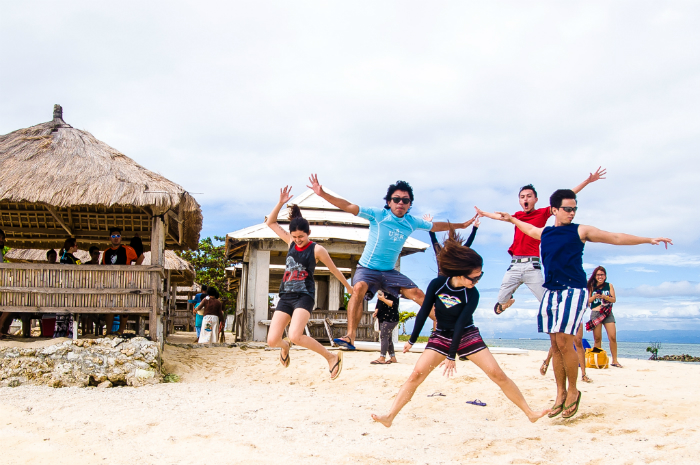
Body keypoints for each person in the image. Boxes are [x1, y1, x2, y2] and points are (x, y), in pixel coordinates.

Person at [493, 189, 671, 419]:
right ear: (555, 210)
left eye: (574, 209)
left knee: (566, 343)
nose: (572, 213)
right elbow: (528, 228)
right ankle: (560, 393)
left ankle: (574, 392)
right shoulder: (545, 233)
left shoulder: (580, 230)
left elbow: (614, 237)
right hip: (551, 291)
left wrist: (648, 239)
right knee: (555, 344)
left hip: (573, 290)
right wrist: (511, 219)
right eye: (567, 209)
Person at [371, 229, 550, 428]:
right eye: (474, 278)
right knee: (416, 375)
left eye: (480, 277)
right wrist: (412, 340)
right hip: (441, 336)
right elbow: (423, 312)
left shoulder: (472, 295)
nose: (477, 282)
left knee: (497, 374)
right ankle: (390, 416)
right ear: (459, 273)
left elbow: (460, 323)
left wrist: (451, 356)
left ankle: (530, 412)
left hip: (466, 334)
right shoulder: (438, 284)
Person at [307, 174, 476, 350]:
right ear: (389, 202)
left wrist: (462, 226)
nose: (400, 203)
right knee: (357, 289)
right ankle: (350, 337)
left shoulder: (411, 222)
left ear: (410, 204)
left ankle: (451, 331)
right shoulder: (378, 215)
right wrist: (322, 194)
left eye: (405, 200)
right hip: (367, 268)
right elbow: (349, 206)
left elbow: (436, 226)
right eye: (396, 199)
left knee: (418, 294)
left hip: (389, 272)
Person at [475, 167, 607, 314]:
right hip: (515, 265)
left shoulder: (542, 213)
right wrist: (483, 213)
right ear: (519, 200)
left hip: (533, 266)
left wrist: (588, 181)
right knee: (500, 301)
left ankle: (560, 321)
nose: (525, 199)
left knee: (546, 301)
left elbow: (565, 198)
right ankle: (506, 303)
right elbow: (499, 217)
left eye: (529, 196)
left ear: (535, 199)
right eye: (522, 197)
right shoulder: (517, 216)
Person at [265, 186, 352, 380]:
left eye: (301, 237)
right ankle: (285, 345)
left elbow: (334, 269)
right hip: (286, 296)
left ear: (309, 232)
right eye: (295, 237)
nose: (298, 240)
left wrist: (348, 287)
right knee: (272, 341)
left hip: (304, 296)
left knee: (296, 334)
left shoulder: (317, 249)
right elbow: (270, 222)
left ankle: (331, 357)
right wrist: (280, 202)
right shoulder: (290, 242)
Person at [101, 227, 139, 334]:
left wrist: (135, 269)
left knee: (124, 307)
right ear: (110, 238)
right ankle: (108, 331)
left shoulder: (128, 250)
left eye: (118, 236)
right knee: (109, 307)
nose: (116, 238)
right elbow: (103, 266)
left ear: (121, 237)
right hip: (110, 282)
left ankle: (121, 330)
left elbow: (140, 257)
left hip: (125, 282)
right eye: (113, 236)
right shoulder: (106, 252)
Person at [586, 266, 622, 367]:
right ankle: (598, 361)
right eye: (598, 275)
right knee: (597, 338)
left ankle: (615, 360)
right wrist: (594, 297)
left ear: (605, 276)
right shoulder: (591, 286)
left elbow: (614, 299)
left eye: (602, 274)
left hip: (607, 312)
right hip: (596, 313)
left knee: (612, 337)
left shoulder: (609, 285)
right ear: (595, 276)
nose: (600, 277)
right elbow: (587, 301)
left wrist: (605, 297)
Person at [371, 290, 400, 365]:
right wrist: (376, 311)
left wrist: (383, 299)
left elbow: (394, 304)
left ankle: (382, 357)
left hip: (391, 318)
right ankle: (393, 357)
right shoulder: (382, 292)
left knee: (384, 336)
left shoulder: (394, 292)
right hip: (383, 317)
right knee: (388, 337)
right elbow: (378, 304)